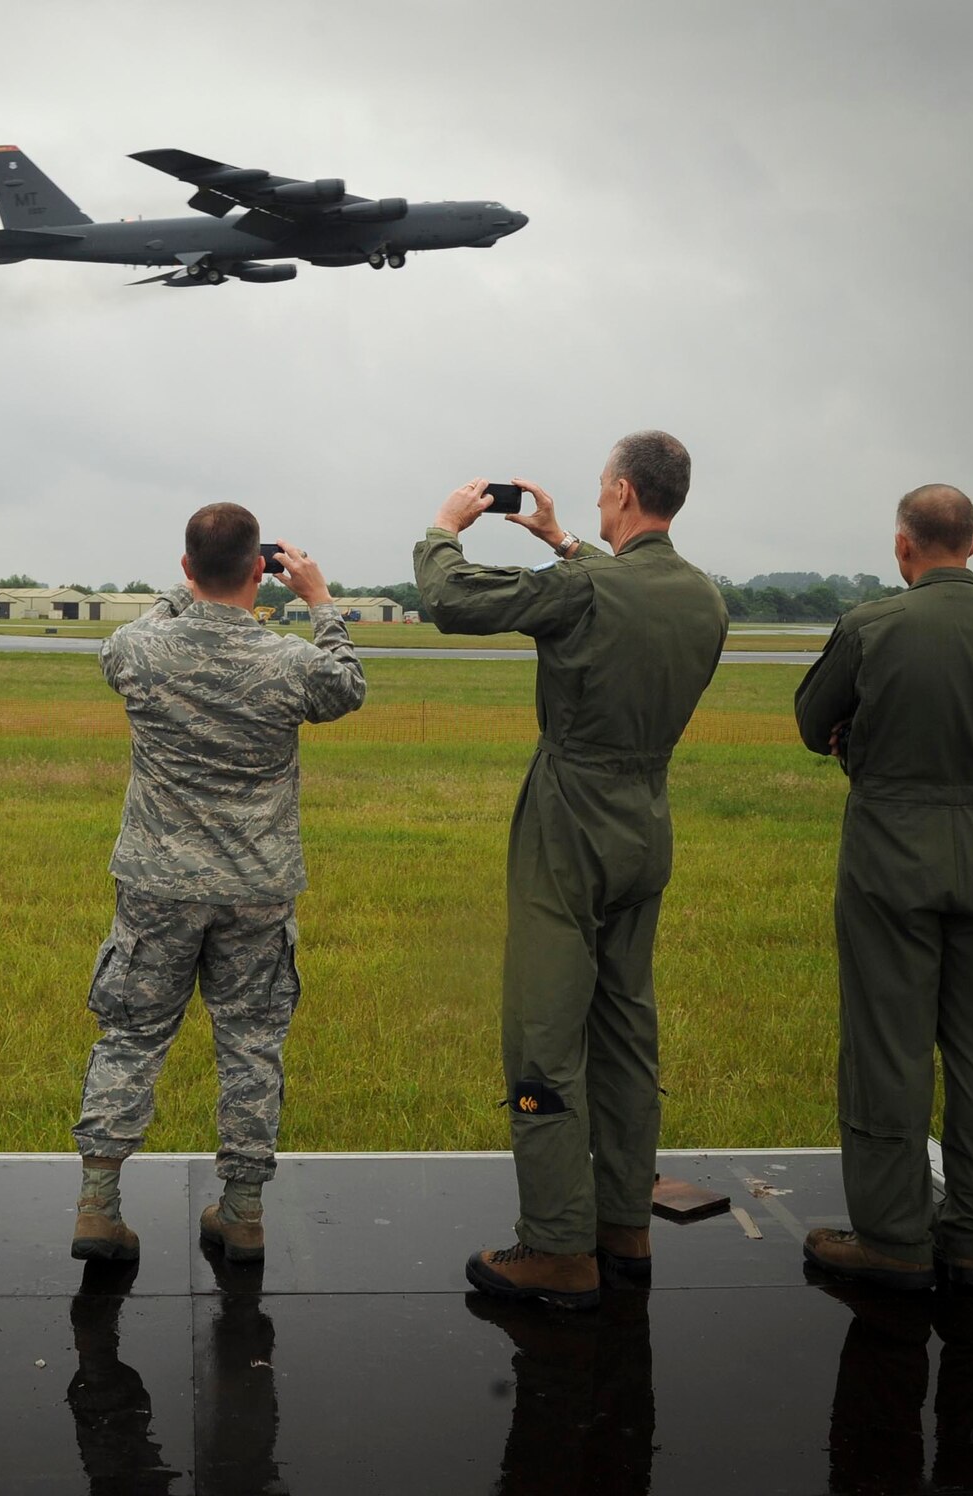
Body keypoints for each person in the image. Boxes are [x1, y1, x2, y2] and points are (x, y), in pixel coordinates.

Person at [414, 431, 728, 1310]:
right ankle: (624, 1225)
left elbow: (448, 599)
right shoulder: (705, 597)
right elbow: (623, 594)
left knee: (545, 1030)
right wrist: (560, 541)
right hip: (648, 817)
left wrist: (445, 526)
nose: (593, 505)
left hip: (573, 816)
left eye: (599, 494)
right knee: (627, 1027)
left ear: (624, 493)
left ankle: (556, 1247)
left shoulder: (590, 587)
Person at [70, 503, 365, 1265]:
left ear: (186, 567)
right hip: (256, 886)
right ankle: (242, 1214)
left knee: (130, 1036)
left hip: (156, 884)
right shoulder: (290, 660)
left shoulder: (134, 650)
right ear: (259, 571)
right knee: (250, 1046)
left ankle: (98, 1207)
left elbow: (130, 638)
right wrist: (320, 601)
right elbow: (347, 686)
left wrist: (187, 591)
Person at [794, 484, 973, 1291]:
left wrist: (856, 740)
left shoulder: (872, 626)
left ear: (903, 547)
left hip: (891, 858)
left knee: (888, 1048)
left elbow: (813, 722)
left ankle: (894, 1238)